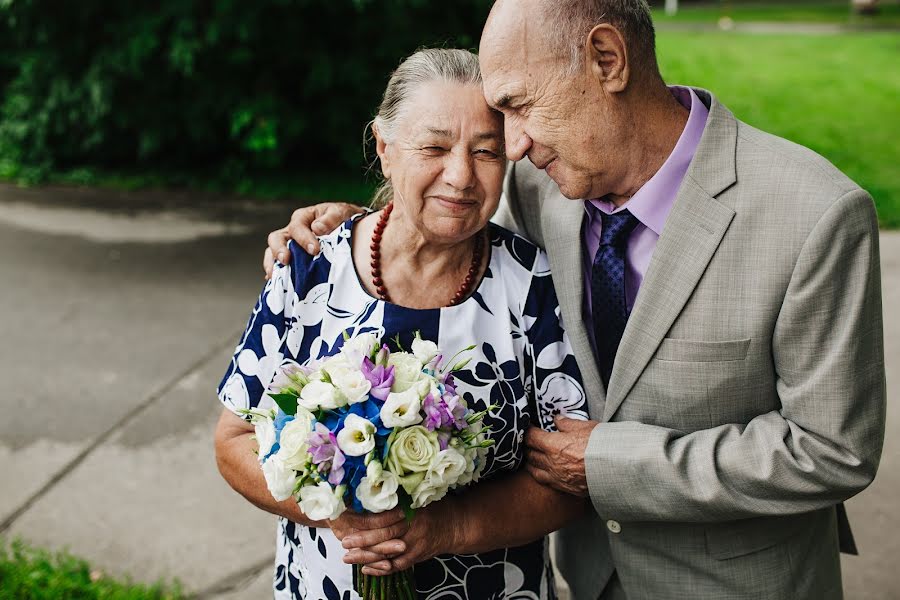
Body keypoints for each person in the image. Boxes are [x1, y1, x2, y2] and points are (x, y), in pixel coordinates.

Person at [266, 1, 887, 598]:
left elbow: (832, 450)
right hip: (585, 581)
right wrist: (364, 224)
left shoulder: (812, 215)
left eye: (518, 104)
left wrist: (610, 464)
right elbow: (452, 220)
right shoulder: (542, 182)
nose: (509, 147)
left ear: (608, 61)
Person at [214, 48, 592, 600]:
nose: (461, 176)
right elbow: (235, 439)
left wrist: (444, 529)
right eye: (435, 147)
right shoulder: (311, 266)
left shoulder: (534, 285)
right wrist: (334, 512)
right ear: (385, 149)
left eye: (485, 151)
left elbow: (569, 476)